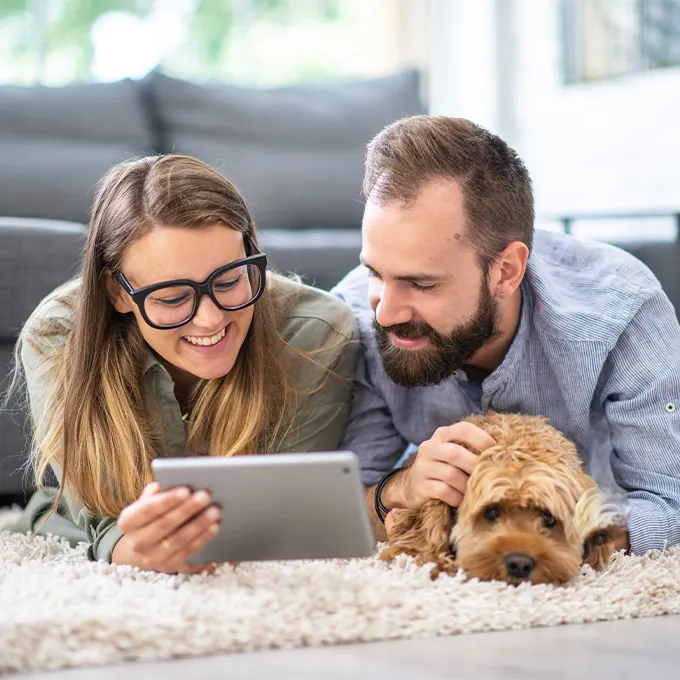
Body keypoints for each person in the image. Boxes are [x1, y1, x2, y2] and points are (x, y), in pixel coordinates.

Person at [332, 115, 680, 555]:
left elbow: (670, 506)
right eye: (374, 273)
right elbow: (336, 507)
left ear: (507, 270)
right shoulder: (353, 320)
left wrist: (555, 526)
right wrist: (399, 489)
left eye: (421, 284)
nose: (385, 313)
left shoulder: (621, 309)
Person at [10, 154, 358, 573]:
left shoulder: (318, 332)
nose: (210, 320)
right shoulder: (56, 336)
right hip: (117, 520)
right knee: (65, 514)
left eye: (229, 280)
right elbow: (103, 514)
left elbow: (280, 515)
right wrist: (130, 549)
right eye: (173, 298)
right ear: (118, 293)